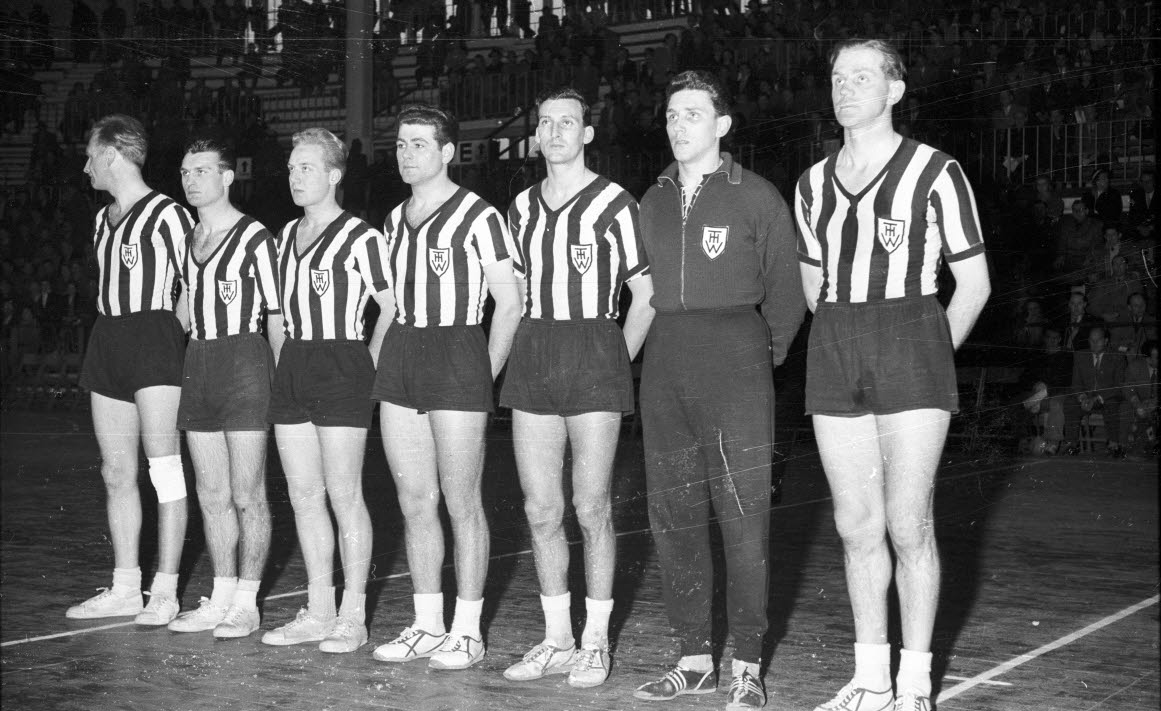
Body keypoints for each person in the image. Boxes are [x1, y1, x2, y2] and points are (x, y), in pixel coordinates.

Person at [795, 39, 990, 711]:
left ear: (894, 90)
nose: (845, 88)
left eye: (861, 77)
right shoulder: (812, 183)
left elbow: (973, 284)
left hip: (911, 339)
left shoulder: (935, 171)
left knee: (909, 524)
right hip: (837, 342)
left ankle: (913, 684)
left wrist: (930, 353)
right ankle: (870, 677)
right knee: (855, 523)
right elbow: (813, 284)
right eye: (837, 77)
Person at [633, 70, 805, 711]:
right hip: (666, 360)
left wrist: (758, 357)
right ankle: (693, 657)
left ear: (722, 125)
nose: (679, 125)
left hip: (736, 363)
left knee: (742, 517)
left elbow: (787, 293)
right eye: (672, 115)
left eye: (693, 114)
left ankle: (748, 664)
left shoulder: (756, 196)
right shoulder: (651, 199)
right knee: (674, 515)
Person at [499, 87, 654, 688]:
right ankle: (557, 638)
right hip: (536, 351)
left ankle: (595, 642)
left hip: (594, 348)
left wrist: (613, 358)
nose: (555, 132)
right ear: (536, 135)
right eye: (545, 123)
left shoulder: (616, 202)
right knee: (541, 509)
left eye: (567, 122)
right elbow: (513, 294)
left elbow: (646, 295)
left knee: (591, 506)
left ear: (587, 134)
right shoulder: (520, 207)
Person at [369, 105, 521, 671]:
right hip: (404, 353)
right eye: (401, 145)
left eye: (419, 144)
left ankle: (468, 630)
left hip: (458, 352)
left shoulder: (479, 215)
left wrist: (484, 371)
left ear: (447, 152)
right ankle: (427, 623)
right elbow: (391, 305)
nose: (407, 154)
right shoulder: (393, 219)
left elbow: (510, 302)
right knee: (414, 500)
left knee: (462, 501)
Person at [261, 128, 393, 653]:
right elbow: (276, 312)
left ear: (334, 175)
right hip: (294, 364)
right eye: (292, 168)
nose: (295, 177)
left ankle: (352, 615)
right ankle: (318, 609)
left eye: (307, 168)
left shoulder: (362, 237)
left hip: (343, 364)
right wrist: (282, 363)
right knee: (303, 496)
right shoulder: (283, 237)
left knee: (344, 493)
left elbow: (392, 307)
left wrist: (368, 364)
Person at [67, 114, 194, 625]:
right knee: (116, 471)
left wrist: (168, 334)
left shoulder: (169, 214)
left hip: (154, 338)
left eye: (91, 157)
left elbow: (196, 283)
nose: (86, 168)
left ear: (112, 154)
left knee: (164, 470)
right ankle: (125, 587)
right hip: (108, 339)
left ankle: (165, 590)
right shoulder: (103, 219)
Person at [166, 135, 279, 638]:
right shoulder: (189, 238)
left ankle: (247, 603)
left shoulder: (255, 236)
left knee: (247, 493)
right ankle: (221, 594)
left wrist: (281, 380)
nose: (191, 181)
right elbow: (186, 304)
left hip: (244, 361)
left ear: (228, 177)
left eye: (202, 171)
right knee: (211, 493)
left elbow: (276, 314)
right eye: (186, 173)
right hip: (199, 361)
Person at [1061, 325, 1126, 457]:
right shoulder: (1080, 356)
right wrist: (1083, 397)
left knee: (1112, 404)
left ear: (1106, 341)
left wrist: (1097, 398)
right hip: (1087, 397)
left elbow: (1118, 386)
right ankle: (1071, 444)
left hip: (1106, 397)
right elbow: (1076, 383)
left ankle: (1113, 444)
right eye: (1091, 340)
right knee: (1070, 403)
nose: (1094, 343)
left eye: (1098, 340)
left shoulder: (1117, 356)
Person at [1121, 339, 1158, 456]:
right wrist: (1137, 404)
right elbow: (1128, 388)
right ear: (1148, 358)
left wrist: (1155, 402)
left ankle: (1148, 446)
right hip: (1140, 403)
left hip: (1156, 404)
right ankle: (1127, 446)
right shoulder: (1135, 366)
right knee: (1126, 408)